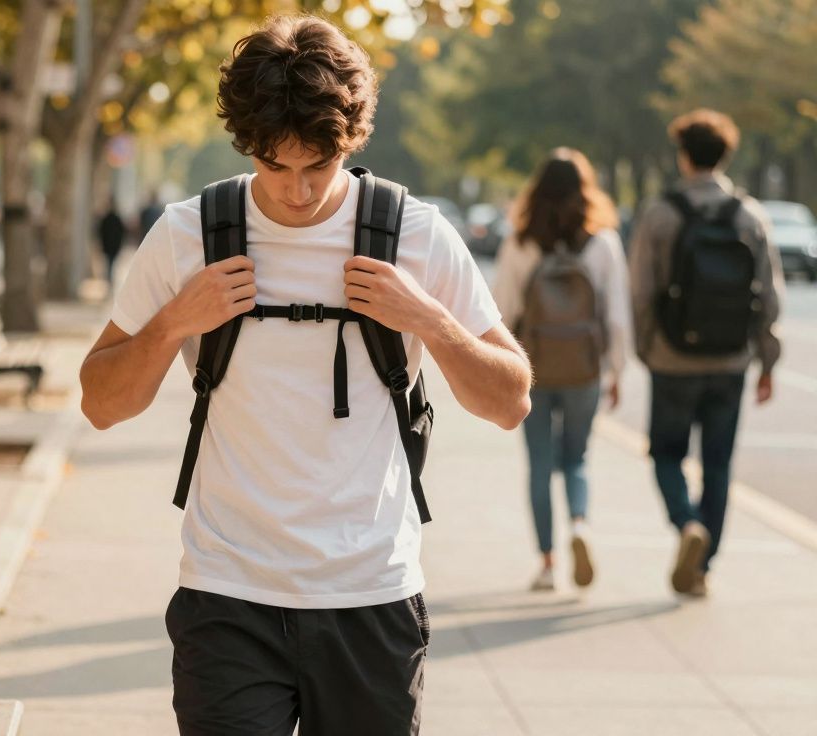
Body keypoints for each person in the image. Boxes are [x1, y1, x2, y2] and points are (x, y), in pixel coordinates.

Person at [78, 15, 532, 734]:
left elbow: (510, 400)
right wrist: (172, 324)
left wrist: (428, 320)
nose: (295, 193)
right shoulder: (187, 234)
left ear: (349, 142)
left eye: (316, 167)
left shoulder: (415, 234)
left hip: (370, 592)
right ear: (246, 144)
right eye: (274, 166)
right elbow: (101, 403)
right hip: (227, 594)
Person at [628, 109, 783, 597]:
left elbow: (640, 292)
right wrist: (767, 359)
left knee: (667, 453)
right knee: (718, 464)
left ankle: (685, 523)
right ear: (725, 155)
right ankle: (703, 566)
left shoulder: (660, 213)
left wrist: (647, 348)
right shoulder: (750, 213)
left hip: (673, 359)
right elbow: (770, 294)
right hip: (731, 359)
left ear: (683, 155)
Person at [491, 148, 632, 592]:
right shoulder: (603, 242)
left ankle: (549, 564)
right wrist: (616, 371)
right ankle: (580, 524)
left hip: (532, 368)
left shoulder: (519, 241)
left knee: (538, 465)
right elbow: (616, 317)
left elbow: (499, 311)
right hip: (584, 370)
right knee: (576, 458)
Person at [97, 201, 126, 289]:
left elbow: (101, 232)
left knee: (109, 262)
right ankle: (109, 279)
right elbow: (122, 232)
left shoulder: (106, 219)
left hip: (108, 245)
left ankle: (109, 279)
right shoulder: (116, 219)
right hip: (114, 246)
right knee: (111, 262)